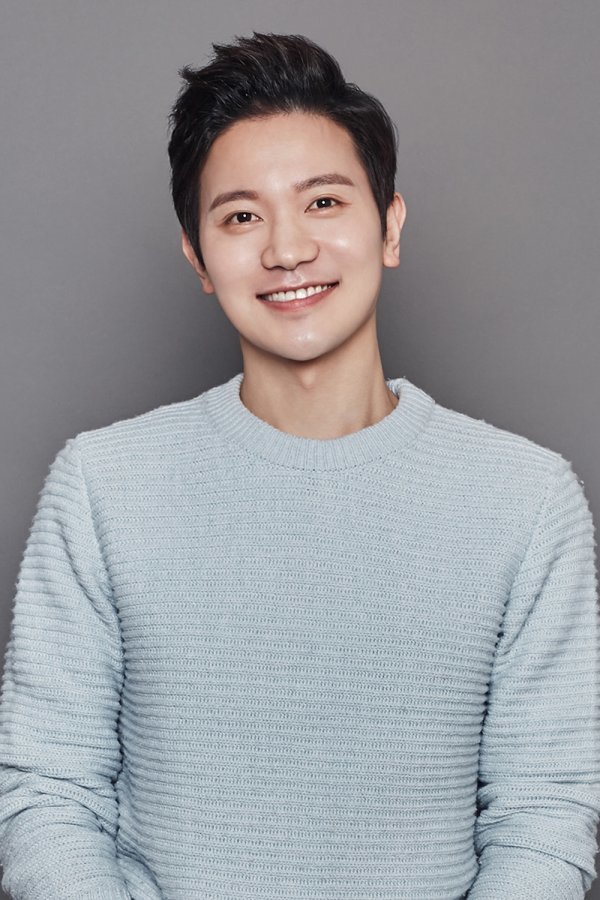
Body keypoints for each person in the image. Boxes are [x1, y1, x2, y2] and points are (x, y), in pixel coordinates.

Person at [0, 30, 597, 900]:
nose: (286, 250)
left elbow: (547, 817)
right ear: (199, 258)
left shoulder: (527, 500)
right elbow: (46, 795)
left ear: (390, 226)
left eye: (323, 202)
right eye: (241, 217)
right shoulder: (102, 486)